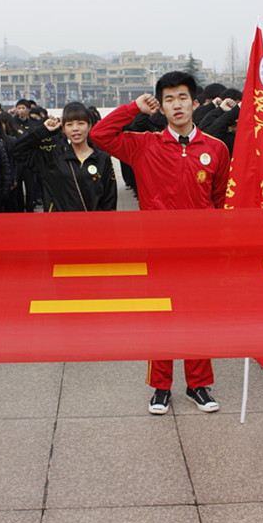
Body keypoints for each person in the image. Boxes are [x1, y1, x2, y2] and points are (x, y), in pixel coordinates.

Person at [90, 71, 229, 414]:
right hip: (158, 251)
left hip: (200, 252)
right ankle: (161, 387)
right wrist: (133, 108)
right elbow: (99, 134)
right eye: (169, 99)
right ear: (161, 107)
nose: (177, 105)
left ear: (194, 102)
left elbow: (220, 200)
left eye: (182, 97)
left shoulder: (216, 148)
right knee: (160, 317)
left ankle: (198, 385)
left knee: (198, 317)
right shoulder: (144, 145)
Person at [14, 102, 117, 212]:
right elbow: (18, 150)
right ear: (62, 129)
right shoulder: (52, 157)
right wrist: (43, 129)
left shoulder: (102, 159)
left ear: (89, 126)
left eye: (81, 123)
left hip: (94, 221)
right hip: (59, 221)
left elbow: (109, 199)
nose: (75, 128)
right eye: (69, 124)